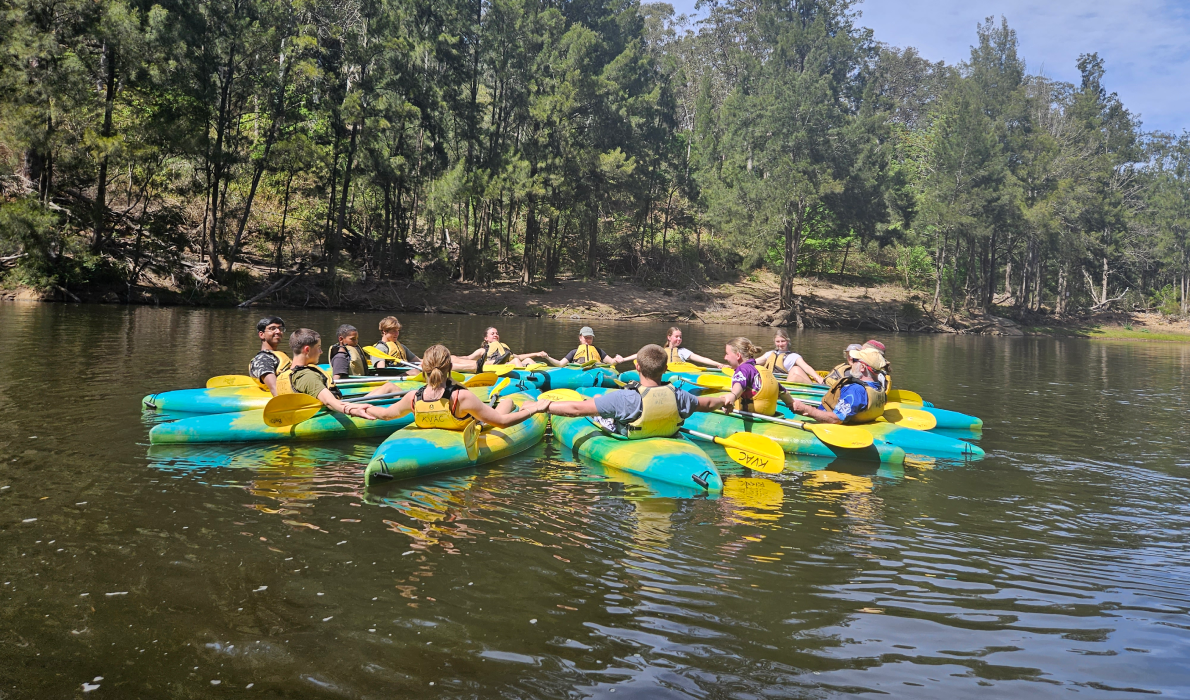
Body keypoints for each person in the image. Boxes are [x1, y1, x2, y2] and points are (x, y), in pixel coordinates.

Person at [522, 344, 725, 437]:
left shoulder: (624, 397)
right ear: (665, 369)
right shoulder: (680, 395)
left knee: (599, 403)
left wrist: (543, 406)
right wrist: (726, 398)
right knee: (602, 400)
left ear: (637, 368)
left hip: (633, 433)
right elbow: (707, 404)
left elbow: (576, 409)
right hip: (666, 431)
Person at [344, 345, 548, 429]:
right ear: (450, 367)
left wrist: (359, 408)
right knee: (508, 400)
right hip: (471, 424)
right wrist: (535, 409)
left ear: (423, 368)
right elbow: (502, 423)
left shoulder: (414, 397)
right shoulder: (462, 396)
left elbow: (386, 414)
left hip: (438, 421)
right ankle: (509, 402)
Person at [790, 347, 887, 425]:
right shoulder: (879, 387)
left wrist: (806, 409)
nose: (852, 363)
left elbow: (836, 419)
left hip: (825, 425)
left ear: (862, 367)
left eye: (855, 360)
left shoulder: (855, 390)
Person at [274, 329, 359, 414]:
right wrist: (355, 410)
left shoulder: (285, 374)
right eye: (318, 348)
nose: (321, 352)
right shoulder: (307, 376)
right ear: (307, 350)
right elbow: (329, 401)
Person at [718, 337, 799, 416]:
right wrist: (792, 404)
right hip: (768, 416)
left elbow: (739, 384)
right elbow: (782, 391)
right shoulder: (763, 370)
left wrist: (733, 395)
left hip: (751, 416)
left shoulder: (742, 369)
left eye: (727, 354)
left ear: (738, 356)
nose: (725, 357)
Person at [616, 327, 725, 369]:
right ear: (669, 337)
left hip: (679, 374)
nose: (679, 339)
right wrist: (623, 359)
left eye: (680, 337)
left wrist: (717, 364)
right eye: (676, 337)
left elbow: (701, 358)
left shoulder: (683, 351)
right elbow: (640, 354)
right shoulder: (660, 350)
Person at [757, 329, 824, 385]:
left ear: (787, 341)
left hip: (787, 383)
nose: (780, 344)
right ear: (774, 342)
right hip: (771, 382)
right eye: (778, 341)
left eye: (783, 341)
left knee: (796, 369)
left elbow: (806, 367)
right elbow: (753, 362)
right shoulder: (769, 354)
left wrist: (817, 377)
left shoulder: (794, 356)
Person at [461, 327, 548, 369]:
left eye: (497, 333)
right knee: (516, 361)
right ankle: (524, 379)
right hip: (499, 369)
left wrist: (537, 354)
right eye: (492, 334)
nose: (495, 335)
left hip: (511, 366)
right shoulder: (483, 350)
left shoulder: (504, 347)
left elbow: (519, 357)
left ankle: (542, 376)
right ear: (486, 338)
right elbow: (469, 358)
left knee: (528, 360)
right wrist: (454, 358)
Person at [249, 316, 290, 395]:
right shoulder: (263, 359)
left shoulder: (277, 355)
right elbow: (274, 388)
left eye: (280, 328)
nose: (278, 331)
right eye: (272, 328)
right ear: (262, 335)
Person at [543, 326, 617, 366]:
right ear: (580, 338)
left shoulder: (599, 351)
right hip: (579, 372)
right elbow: (560, 364)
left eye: (590, 338)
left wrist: (617, 359)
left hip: (595, 371)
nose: (588, 340)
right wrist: (547, 357)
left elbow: (611, 362)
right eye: (586, 337)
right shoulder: (574, 352)